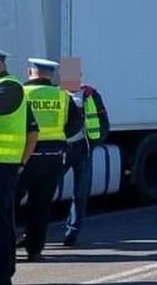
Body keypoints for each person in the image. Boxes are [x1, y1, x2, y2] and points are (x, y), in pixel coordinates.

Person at [18, 59, 82, 262]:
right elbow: (75, 124)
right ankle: (35, 250)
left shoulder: (20, 93)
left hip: (26, 155)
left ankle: (8, 245)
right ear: (52, 75)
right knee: (41, 205)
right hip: (54, 157)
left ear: (30, 72)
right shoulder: (62, 96)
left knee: (9, 203)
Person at [0, 51, 38, 285]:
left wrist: (21, 162)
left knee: (2, 224)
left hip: (4, 166)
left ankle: (3, 279)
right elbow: (33, 130)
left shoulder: (10, 87)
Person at [63, 79, 109, 246]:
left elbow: (104, 122)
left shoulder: (90, 95)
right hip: (62, 148)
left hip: (83, 148)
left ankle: (72, 232)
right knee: (47, 190)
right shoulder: (58, 95)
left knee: (80, 193)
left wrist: (94, 142)